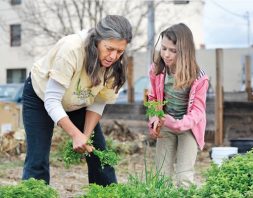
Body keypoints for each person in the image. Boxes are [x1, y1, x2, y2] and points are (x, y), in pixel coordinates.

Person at [22, 15, 132, 186]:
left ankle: (107, 195)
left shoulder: (116, 65)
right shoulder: (72, 49)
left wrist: (85, 136)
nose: (113, 56)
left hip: (79, 100)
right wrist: (75, 134)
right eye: (109, 48)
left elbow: (98, 101)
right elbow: (52, 101)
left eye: (119, 51)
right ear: (98, 40)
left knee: (98, 154)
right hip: (41, 96)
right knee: (38, 158)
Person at [147, 23, 209, 186]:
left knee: (184, 177)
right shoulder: (157, 69)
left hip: (188, 128)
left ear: (184, 52)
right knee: (162, 176)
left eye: (173, 51)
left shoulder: (198, 77)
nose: (166, 55)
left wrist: (179, 124)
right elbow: (153, 98)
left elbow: (198, 111)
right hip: (165, 125)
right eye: (164, 48)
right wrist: (154, 118)